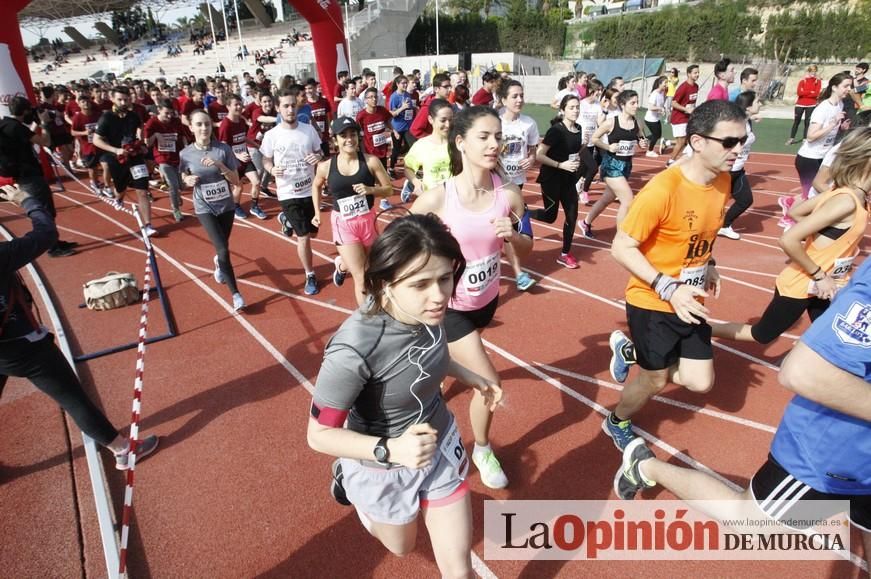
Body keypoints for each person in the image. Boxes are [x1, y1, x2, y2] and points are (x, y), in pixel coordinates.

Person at [614, 256, 871, 570]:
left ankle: (660, 349)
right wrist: (818, 273)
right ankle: (646, 466)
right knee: (751, 522)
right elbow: (803, 372)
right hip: (836, 454)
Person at [307, 213, 502, 577]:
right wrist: (390, 449)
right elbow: (317, 435)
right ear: (386, 283)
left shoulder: (432, 310)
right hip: (382, 463)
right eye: (420, 284)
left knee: (458, 569)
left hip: (438, 441)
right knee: (402, 547)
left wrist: (471, 375)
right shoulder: (353, 349)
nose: (439, 296)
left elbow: (428, 358)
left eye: (445, 279)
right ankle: (348, 480)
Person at [604, 100, 747, 452]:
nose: (739, 149)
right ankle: (616, 420)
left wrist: (709, 262)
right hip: (654, 299)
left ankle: (630, 351)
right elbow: (621, 247)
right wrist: (668, 287)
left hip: (690, 297)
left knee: (700, 383)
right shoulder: (662, 190)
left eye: (743, 140)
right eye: (729, 142)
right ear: (698, 142)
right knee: (655, 380)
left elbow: (702, 231)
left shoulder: (723, 181)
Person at [411, 106, 533, 489]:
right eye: (483, 136)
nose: (494, 144)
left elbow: (527, 249)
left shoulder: (509, 195)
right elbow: (400, 246)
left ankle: (434, 372)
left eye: (497, 136)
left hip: (488, 301)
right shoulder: (437, 200)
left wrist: (514, 236)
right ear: (460, 142)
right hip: (451, 308)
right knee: (489, 383)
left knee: (442, 365)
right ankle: (481, 448)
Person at [0, 183, 158, 469]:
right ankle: (122, 449)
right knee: (72, 397)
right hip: (23, 348)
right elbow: (46, 234)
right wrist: (28, 201)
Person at [711, 127, 870, 344]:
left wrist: (825, 236)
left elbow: (796, 211)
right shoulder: (845, 200)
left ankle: (809, 359)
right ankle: (698, 331)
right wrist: (820, 275)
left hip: (824, 285)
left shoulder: (847, 194)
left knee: (836, 334)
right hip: (804, 283)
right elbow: (788, 239)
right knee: (762, 334)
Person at [311, 117, 393, 305]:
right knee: (362, 276)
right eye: (343, 135)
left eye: (353, 134)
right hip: (344, 224)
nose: (349, 139)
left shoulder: (371, 161)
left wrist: (371, 190)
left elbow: (388, 189)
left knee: (374, 269)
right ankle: (366, 320)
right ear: (335, 140)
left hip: (368, 221)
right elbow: (316, 186)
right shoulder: (325, 166)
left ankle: (341, 264)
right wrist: (316, 212)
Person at [179, 110, 245, 312]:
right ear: (191, 127)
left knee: (222, 248)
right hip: (204, 207)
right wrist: (186, 179)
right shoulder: (186, 154)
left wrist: (219, 165)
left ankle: (218, 263)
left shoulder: (222, 149)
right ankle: (236, 294)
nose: (204, 128)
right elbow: (182, 176)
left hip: (226, 206)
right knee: (224, 250)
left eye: (207, 124)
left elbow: (236, 181)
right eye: (199, 124)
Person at [260, 88, 324, 296]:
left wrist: (317, 157)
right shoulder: (272, 135)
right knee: (303, 236)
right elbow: (265, 158)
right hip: (288, 192)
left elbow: (319, 151)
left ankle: (286, 220)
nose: (290, 109)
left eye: (292, 105)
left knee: (313, 232)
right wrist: (270, 169)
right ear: (278, 109)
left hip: (310, 188)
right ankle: (310, 274)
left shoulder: (308, 130)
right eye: (285, 106)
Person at [0, 96, 76, 257]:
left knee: (44, 209)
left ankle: (54, 241)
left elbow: (26, 136)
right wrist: (44, 124)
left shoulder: (7, 125)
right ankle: (52, 247)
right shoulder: (17, 128)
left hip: (22, 175)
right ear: (25, 111)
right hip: (30, 176)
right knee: (44, 210)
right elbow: (45, 142)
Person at [781, 73, 853, 228]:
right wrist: (832, 125)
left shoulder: (839, 105)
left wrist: (841, 128)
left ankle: (790, 202)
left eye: (850, 86)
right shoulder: (823, 108)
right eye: (846, 86)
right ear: (834, 87)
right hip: (808, 158)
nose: (849, 89)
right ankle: (790, 221)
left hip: (823, 157)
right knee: (812, 197)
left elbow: (831, 132)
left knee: (814, 195)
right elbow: (811, 136)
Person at [92, 86, 157, 237]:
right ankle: (119, 197)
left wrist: (140, 144)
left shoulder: (133, 116)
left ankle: (147, 225)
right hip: (117, 158)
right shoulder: (106, 117)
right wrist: (116, 150)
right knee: (121, 187)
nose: (123, 102)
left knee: (142, 189)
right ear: (112, 98)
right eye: (119, 99)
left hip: (134, 157)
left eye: (126, 99)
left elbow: (140, 130)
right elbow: (96, 140)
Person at [582, 90, 648, 234]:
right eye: (633, 103)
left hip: (626, 166)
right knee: (628, 200)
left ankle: (585, 222)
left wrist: (643, 143)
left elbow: (641, 138)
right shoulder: (611, 122)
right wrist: (608, 147)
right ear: (623, 105)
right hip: (611, 165)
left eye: (637, 102)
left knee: (607, 199)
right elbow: (594, 138)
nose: (636, 106)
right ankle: (620, 237)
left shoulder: (638, 122)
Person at [533, 94, 584, 269]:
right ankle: (525, 213)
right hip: (551, 179)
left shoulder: (579, 129)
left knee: (572, 215)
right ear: (562, 110)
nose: (575, 110)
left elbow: (574, 152)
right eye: (571, 107)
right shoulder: (556, 131)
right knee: (550, 217)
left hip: (568, 180)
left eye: (577, 107)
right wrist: (560, 165)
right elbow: (539, 155)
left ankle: (565, 254)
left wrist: (577, 165)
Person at [499, 80, 539, 291]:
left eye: (521, 95)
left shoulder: (529, 123)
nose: (519, 100)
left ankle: (518, 273)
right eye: (514, 96)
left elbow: (533, 151)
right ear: (503, 99)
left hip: (517, 184)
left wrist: (531, 160)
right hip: (494, 184)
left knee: (509, 228)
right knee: (500, 226)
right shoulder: (494, 121)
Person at [718, 91, 761, 240]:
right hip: (726, 170)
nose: (760, 104)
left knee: (745, 199)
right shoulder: (736, 124)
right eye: (758, 102)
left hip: (738, 170)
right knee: (712, 201)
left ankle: (724, 225)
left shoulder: (746, 120)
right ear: (748, 106)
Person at [219, 93, 266, 220]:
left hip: (245, 159)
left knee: (256, 182)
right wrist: (237, 155)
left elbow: (243, 137)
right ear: (228, 106)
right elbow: (223, 146)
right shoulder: (226, 125)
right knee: (238, 187)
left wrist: (257, 146)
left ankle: (254, 206)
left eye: (240, 104)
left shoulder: (240, 121)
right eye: (236, 105)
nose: (239, 107)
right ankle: (236, 206)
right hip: (233, 161)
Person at [143, 98, 187, 222]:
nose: (169, 116)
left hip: (177, 156)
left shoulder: (176, 121)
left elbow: (183, 137)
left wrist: (187, 151)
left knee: (180, 186)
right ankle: (176, 210)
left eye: (171, 113)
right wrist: (156, 135)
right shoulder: (152, 123)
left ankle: (177, 195)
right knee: (172, 185)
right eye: (166, 113)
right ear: (159, 111)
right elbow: (147, 143)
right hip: (162, 158)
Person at [402, 99, 454, 203]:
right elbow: (408, 168)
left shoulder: (458, 143)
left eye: (451, 119)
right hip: (431, 199)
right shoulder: (421, 145)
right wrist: (416, 182)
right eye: (443, 120)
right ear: (431, 119)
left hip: (454, 198)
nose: (448, 125)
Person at [69, 94, 105, 195]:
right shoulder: (78, 117)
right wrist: (84, 133)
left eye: (88, 101)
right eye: (83, 102)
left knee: (105, 164)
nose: (86, 104)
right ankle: (94, 183)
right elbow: (73, 132)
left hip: (101, 144)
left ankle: (105, 184)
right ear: (79, 104)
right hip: (88, 147)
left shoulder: (98, 114)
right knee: (92, 167)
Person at [577, 79, 605, 207]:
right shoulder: (581, 104)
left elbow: (600, 123)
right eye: (598, 90)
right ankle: (584, 191)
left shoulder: (598, 106)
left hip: (591, 141)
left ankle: (573, 185)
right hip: (580, 141)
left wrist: (604, 110)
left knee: (583, 168)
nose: (600, 93)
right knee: (593, 167)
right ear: (591, 91)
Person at [667, 65, 700, 166]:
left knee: (687, 140)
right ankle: (670, 162)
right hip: (679, 118)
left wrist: (693, 110)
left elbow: (691, 102)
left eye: (698, 72)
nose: (697, 75)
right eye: (695, 73)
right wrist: (686, 109)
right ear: (689, 74)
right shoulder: (683, 87)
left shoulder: (696, 86)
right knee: (681, 142)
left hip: (688, 118)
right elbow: (673, 103)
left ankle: (682, 159)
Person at [787, 65, 822, 145]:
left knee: (807, 122)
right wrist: (810, 92)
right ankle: (791, 138)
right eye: (811, 71)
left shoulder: (818, 81)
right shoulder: (803, 81)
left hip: (811, 105)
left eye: (814, 71)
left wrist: (806, 92)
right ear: (808, 72)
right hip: (800, 104)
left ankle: (805, 139)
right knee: (796, 121)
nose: (813, 73)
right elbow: (799, 93)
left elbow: (816, 94)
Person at [643, 76, 668, 158]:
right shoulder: (654, 94)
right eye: (665, 83)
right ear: (660, 84)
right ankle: (649, 151)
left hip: (656, 118)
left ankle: (643, 140)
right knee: (656, 135)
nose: (666, 84)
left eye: (667, 83)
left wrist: (662, 110)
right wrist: (660, 108)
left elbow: (660, 105)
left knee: (657, 135)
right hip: (650, 119)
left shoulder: (662, 93)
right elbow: (650, 107)